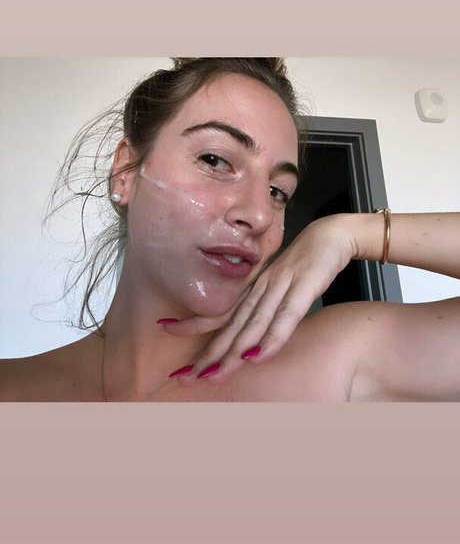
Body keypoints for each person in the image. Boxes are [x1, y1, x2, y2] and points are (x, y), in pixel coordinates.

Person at [1, 58, 459, 402]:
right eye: (215, 160)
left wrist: (351, 233)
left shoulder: (339, 358)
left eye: (278, 191)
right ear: (125, 171)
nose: (259, 216)